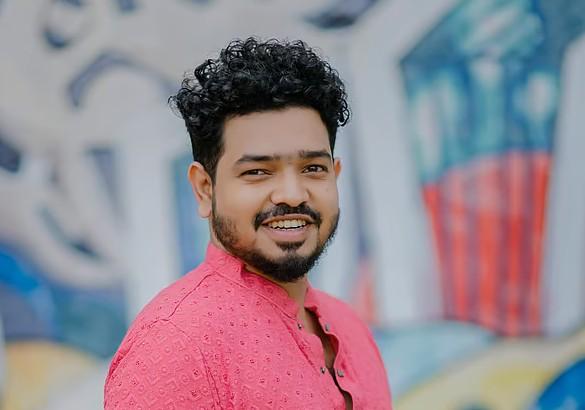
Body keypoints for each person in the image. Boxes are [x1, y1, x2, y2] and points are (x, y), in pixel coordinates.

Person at [104, 37, 392, 409]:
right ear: (204, 188)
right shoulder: (175, 345)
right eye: (258, 171)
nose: (292, 194)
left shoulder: (350, 327)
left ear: (335, 175)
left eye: (313, 168)